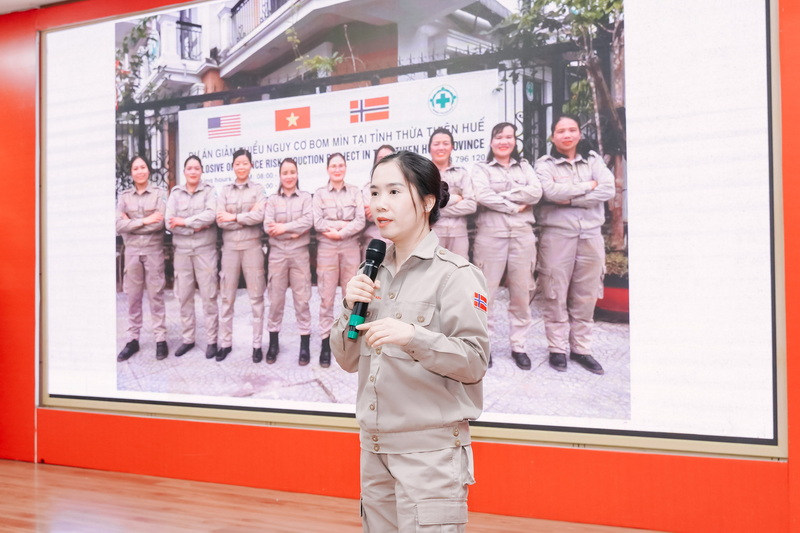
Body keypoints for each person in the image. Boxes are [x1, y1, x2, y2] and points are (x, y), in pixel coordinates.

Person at [331, 151, 489, 532]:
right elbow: (347, 359)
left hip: (429, 457)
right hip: (374, 451)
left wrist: (414, 337)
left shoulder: (455, 275)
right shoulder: (371, 271)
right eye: (374, 192)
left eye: (393, 192)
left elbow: (474, 362)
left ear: (427, 201)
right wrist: (349, 306)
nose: (379, 204)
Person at [534, 114, 615, 375]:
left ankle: (581, 349)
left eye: (572, 130)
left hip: (591, 235)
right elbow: (550, 192)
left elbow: (608, 189)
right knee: (555, 291)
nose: (567, 135)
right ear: (552, 136)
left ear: (579, 134)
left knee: (586, 293)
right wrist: (588, 186)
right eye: (561, 131)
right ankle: (557, 348)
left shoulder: (593, 160)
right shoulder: (545, 164)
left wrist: (570, 199)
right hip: (557, 235)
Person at [471, 122, 542, 370]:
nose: (504, 141)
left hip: (522, 236)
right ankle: (484, 344)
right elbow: (482, 195)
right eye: (499, 137)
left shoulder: (525, 167)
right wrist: (514, 205)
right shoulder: (481, 168)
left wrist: (501, 197)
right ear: (491, 142)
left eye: (509, 137)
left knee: (522, 293)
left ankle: (519, 346)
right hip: (491, 236)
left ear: (515, 141)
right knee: (484, 294)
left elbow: (536, 192)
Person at [313, 153, 365, 367]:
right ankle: (326, 342)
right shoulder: (319, 194)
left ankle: (349, 340)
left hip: (350, 247)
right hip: (327, 248)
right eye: (333, 166)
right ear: (328, 169)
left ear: (345, 168)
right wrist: (341, 225)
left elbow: (360, 220)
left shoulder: (355, 191)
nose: (337, 169)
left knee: (351, 296)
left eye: (340, 165)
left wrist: (341, 232)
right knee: (326, 297)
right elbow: (317, 222)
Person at [165, 155, 219, 360]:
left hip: (205, 250)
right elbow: (169, 222)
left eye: (197, 168)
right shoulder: (175, 193)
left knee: (209, 296)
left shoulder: (209, 191)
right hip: (182, 252)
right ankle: (188, 339)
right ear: (184, 171)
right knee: (184, 296)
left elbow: (211, 215)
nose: (193, 171)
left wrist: (184, 222)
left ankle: (212, 340)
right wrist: (195, 227)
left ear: (201, 171)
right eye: (190, 168)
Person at [116, 155, 169, 362]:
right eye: (136, 168)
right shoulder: (124, 197)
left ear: (148, 170)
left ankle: (160, 338)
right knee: (133, 297)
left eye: (143, 167)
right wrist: (146, 220)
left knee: (156, 295)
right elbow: (118, 225)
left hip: (153, 251)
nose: (140, 171)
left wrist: (132, 223)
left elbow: (160, 223)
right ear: (131, 173)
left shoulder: (159, 194)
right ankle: (133, 339)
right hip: (131, 254)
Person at [216, 148, 266, 363]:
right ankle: (225, 343)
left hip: (252, 247)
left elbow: (260, 216)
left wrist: (234, 217)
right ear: (233, 166)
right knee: (227, 297)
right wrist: (246, 216)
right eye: (238, 163)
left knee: (256, 297)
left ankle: (257, 345)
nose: (241, 167)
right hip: (229, 249)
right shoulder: (225, 191)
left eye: (245, 163)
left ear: (251, 166)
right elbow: (220, 220)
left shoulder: (258, 189)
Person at [263, 158, 314, 365]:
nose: (289, 176)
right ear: (280, 176)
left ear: (297, 174)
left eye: (292, 172)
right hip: (277, 255)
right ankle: (273, 343)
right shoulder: (272, 200)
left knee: (302, 300)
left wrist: (284, 228)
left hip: (299, 254)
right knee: (276, 300)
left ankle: (305, 344)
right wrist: (295, 231)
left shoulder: (305, 198)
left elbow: (308, 221)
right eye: (285, 172)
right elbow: (268, 226)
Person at [428, 127, 477, 259]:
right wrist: (454, 199)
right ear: (429, 148)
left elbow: (471, 205)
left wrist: (436, 210)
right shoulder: (423, 175)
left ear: (452, 147)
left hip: (458, 234)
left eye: (445, 143)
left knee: (459, 269)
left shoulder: (462, 173)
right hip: (431, 234)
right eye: (436, 144)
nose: (441, 147)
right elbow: (420, 205)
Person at [360, 144, 394, 256]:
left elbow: (404, 212)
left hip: (397, 242)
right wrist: (393, 210)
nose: (384, 161)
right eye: (380, 158)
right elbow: (370, 215)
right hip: (373, 242)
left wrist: (375, 209)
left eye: (389, 157)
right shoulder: (368, 187)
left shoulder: (405, 186)